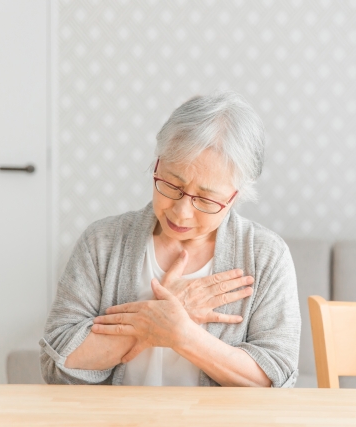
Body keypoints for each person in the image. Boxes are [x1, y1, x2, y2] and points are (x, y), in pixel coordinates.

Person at [40, 91, 301, 387]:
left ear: (235, 196)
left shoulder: (266, 256)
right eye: (171, 185)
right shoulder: (102, 241)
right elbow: (57, 363)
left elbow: (277, 380)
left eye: (205, 198)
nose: (181, 212)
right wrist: (160, 314)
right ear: (157, 163)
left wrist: (182, 334)